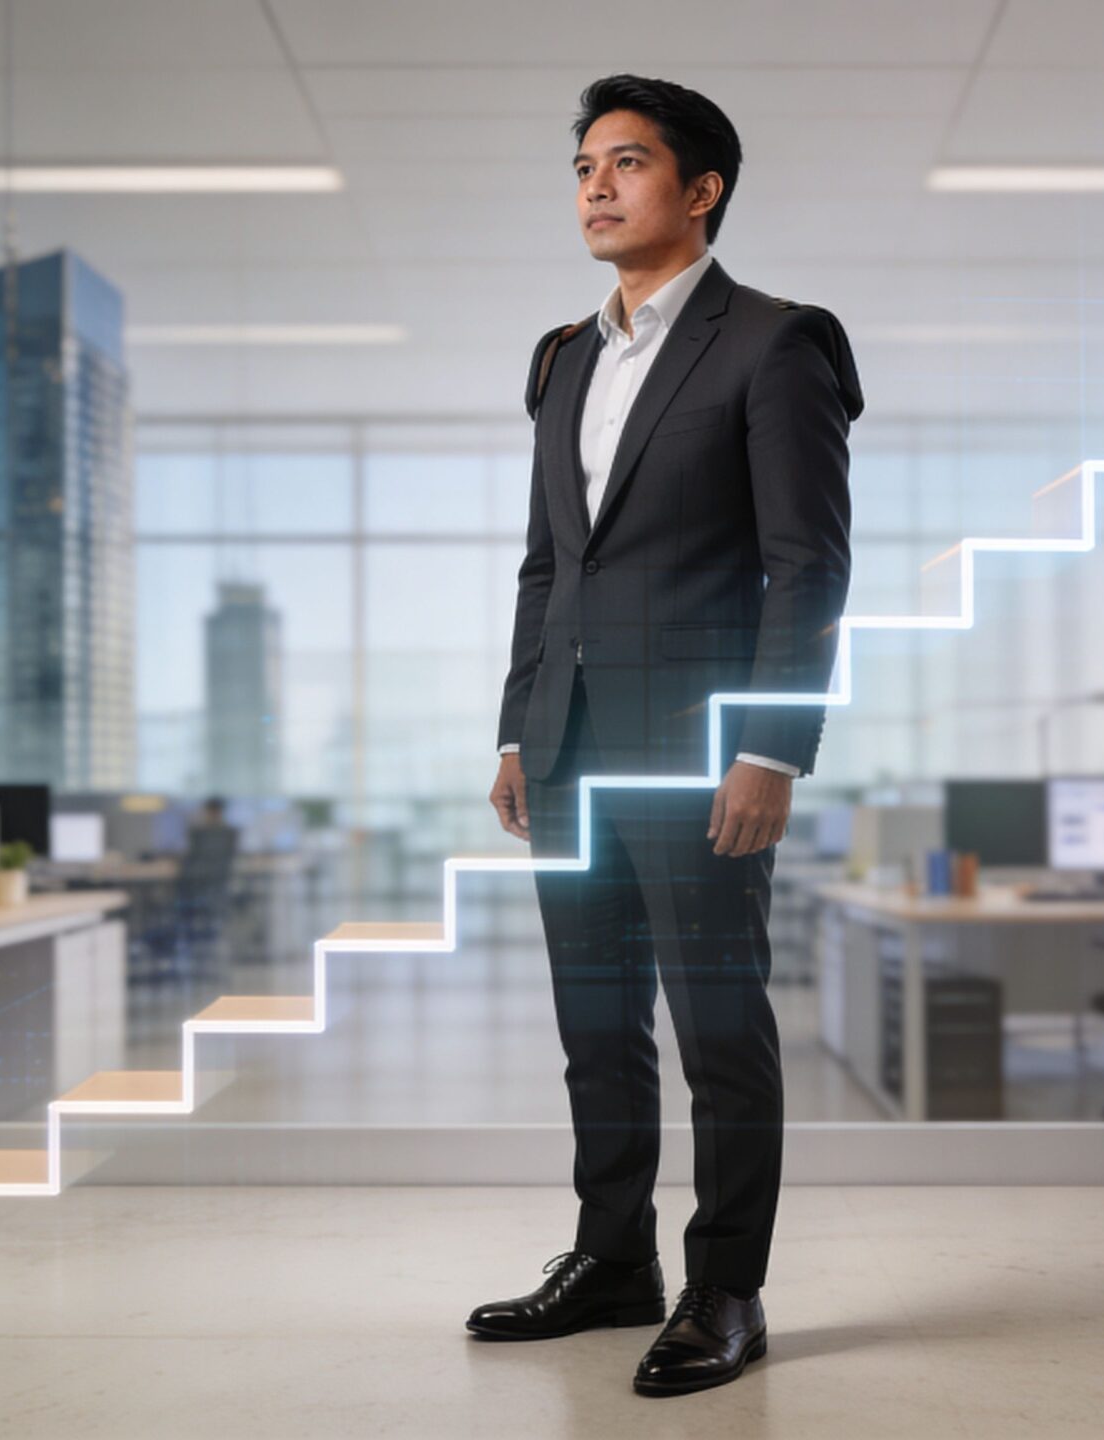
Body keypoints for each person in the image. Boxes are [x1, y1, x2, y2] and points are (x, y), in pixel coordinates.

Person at [474, 73, 859, 1397]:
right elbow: (549, 567)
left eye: (627, 162)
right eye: (584, 165)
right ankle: (612, 1260)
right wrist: (519, 731)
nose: (596, 185)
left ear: (701, 190)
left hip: (702, 755)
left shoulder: (776, 343)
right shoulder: (562, 358)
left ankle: (727, 1290)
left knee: (718, 1028)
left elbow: (809, 567)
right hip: (569, 745)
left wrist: (771, 748)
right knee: (597, 1023)